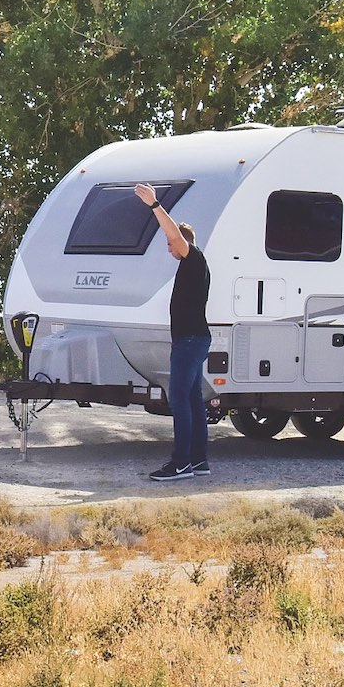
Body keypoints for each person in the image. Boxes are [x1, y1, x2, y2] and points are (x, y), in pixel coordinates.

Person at [135, 182, 211, 481]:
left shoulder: (192, 258)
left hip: (190, 341)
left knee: (178, 399)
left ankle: (180, 465)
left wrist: (155, 205)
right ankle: (198, 461)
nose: (169, 249)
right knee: (192, 400)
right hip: (192, 340)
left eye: (170, 244)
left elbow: (175, 236)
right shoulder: (193, 265)